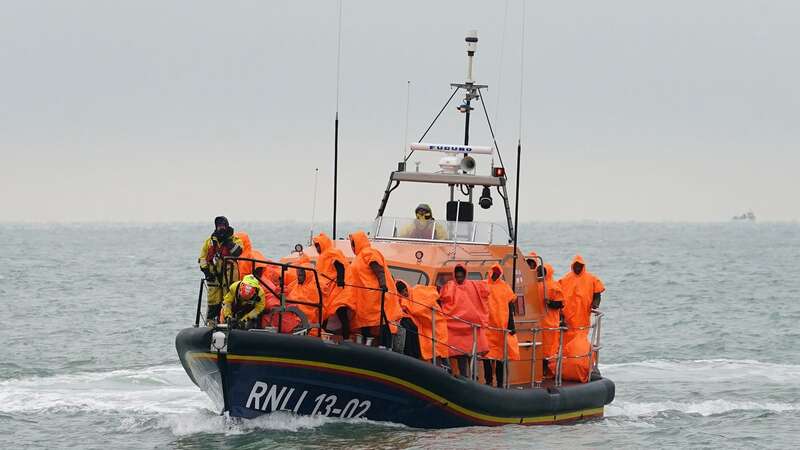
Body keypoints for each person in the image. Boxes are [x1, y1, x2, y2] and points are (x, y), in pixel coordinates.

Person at [343, 230, 402, 346]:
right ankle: (366, 342)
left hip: (374, 295)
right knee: (365, 321)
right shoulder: (359, 257)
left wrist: (383, 285)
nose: (352, 246)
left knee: (382, 320)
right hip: (363, 296)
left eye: (354, 243)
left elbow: (378, 269)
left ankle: (386, 345)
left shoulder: (368, 253)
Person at [439, 264, 490, 378]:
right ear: (454, 276)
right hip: (456, 330)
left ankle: (472, 377)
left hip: (470, 329)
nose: (459, 279)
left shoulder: (473, 286)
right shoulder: (450, 287)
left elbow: (485, 291)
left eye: (461, 276)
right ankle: (465, 377)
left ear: (465, 275)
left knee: (469, 355)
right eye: (457, 277)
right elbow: (443, 297)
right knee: (460, 355)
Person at [198, 216, 244, 326]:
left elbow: (238, 252)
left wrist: (228, 241)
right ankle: (211, 323)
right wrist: (207, 272)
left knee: (230, 300)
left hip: (229, 278)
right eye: (219, 226)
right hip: (213, 278)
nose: (221, 228)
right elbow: (202, 258)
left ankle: (231, 322)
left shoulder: (235, 240)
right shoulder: (209, 242)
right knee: (213, 301)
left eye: (223, 226)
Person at [483, 264, 520, 387]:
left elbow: (510, 305)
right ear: (490, 272)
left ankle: (500, 382)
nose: (496, 274)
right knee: (486, 357)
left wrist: (511, 326)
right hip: (487, 328)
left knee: (500, 358)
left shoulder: (505, 287)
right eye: (494, 272)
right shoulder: (483, 285)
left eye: (498, 273)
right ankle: (488, 380)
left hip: (501, 328)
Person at [312, 232, 354, 338]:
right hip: (329, 290)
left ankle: (345, 338)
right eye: (316, 246)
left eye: (318, 245)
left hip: (339, 290)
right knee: (325, 313)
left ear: (323, 244)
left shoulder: (331, 253)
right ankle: (322, 333)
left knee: (341, 312)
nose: (317, 248)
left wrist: (340, 280)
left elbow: (339, 266)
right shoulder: (323, 256)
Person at [559, 255, 605, 343]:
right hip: (568, 314)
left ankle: (579, 350)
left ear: (583, 266)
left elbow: (597, 294)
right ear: (572, 266)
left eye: (579, 265)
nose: (577, 267)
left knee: (581, 334)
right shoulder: (565, 279)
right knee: (567, 337)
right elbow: (558, 295)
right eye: (576, 265)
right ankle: (568, 352)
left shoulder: (591, 279)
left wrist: (595, 304)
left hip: (583, 313)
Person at [539, 263, 565, 375]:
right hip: (545, 323)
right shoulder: (551, 286)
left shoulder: (552, 286)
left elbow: (559, 304)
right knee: (547, 349)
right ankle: (546, 370)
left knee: (547, 349)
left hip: (547, 322)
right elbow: (561, 304)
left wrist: (549, 302)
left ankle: (546, 370)